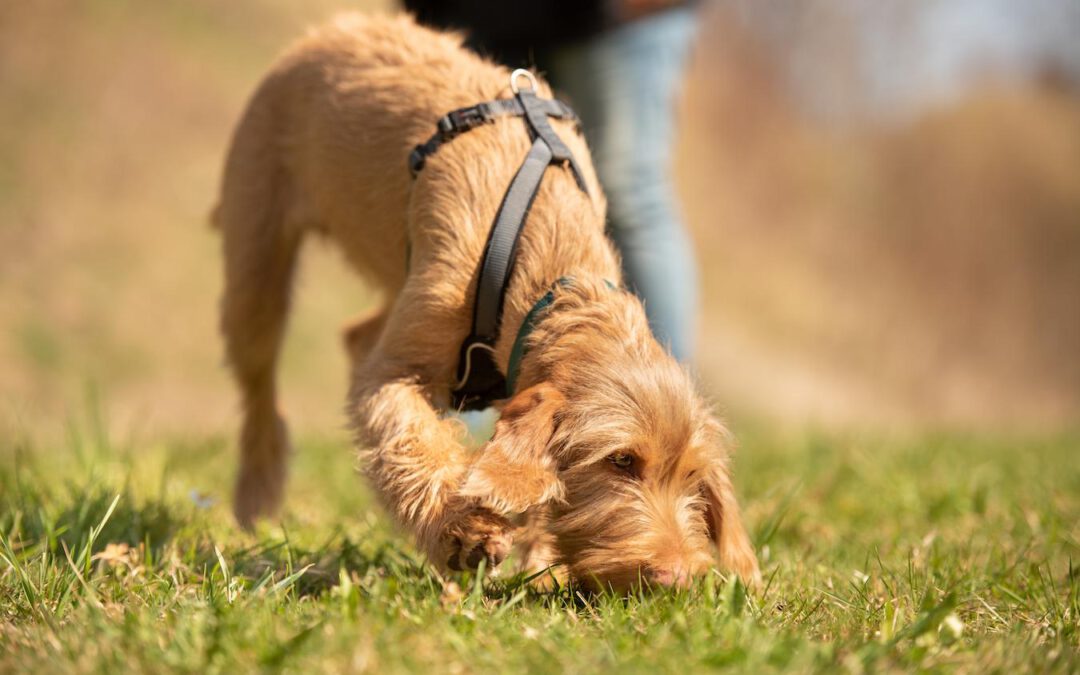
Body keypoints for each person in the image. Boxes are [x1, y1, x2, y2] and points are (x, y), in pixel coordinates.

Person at [405, 1, 700, 362]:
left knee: (629, 192)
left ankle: (663, 402)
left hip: (625, 21)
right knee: (476, 199)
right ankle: (468, 397)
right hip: (487, 16)